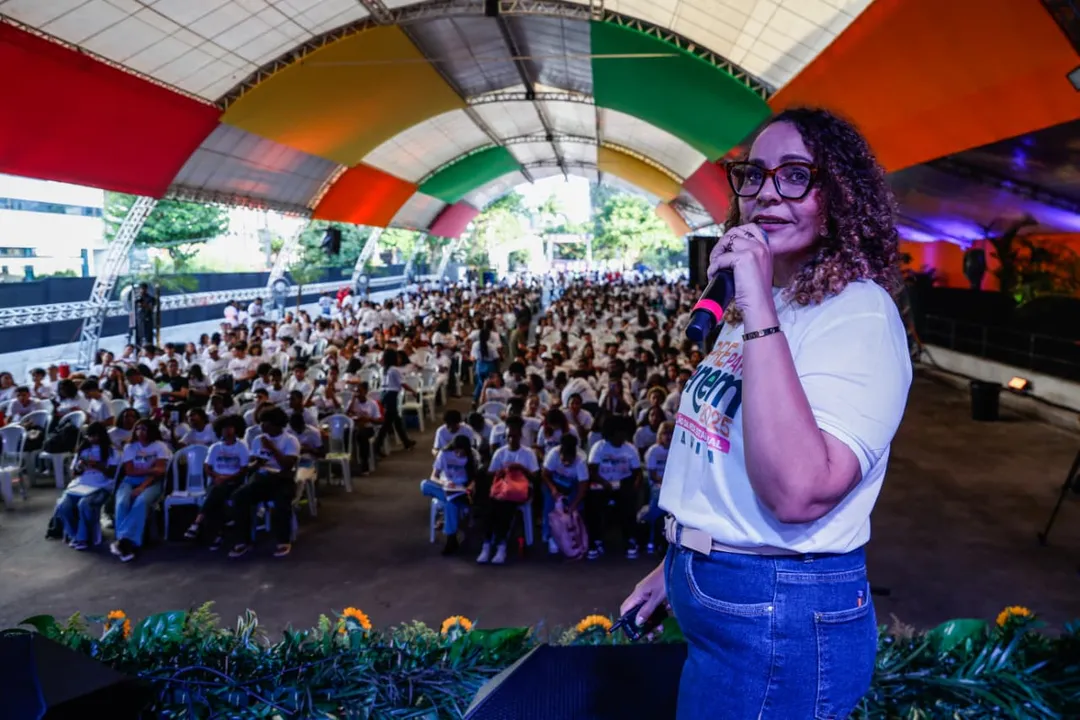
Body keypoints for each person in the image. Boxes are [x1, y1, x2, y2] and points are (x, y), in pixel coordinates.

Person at [620, 108, 913, 720]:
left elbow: (798, 492)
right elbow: (717, 455)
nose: (767, 193)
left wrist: (755, 305)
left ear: (839, 194)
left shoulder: (857, 313)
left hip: (779, 607)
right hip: (726, 585)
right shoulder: (771, 302)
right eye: (754, 175)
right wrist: (678, 559)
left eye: (796, 176)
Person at [227, 406, 300, 558]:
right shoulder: (257, 439)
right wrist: (256, 463)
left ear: (275, 424)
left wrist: (272, 448)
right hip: (262, 478)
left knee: (281, 502)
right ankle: (243, 540)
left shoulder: (290, 440)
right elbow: (252, 462)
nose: (261, 426)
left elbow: (287, 465)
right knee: (238, 497)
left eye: (265, 423)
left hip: (282, 479)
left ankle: (283, 541)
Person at [476, 416, 539, 565]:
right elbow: (491, 474)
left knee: (505, 506)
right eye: (509, 436)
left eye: (515, 436)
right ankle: (486, 544)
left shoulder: (528, 453)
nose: (512, 439)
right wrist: (503, 471)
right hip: (502, 489)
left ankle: (501, 545)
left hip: (521, 490)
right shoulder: (500, 452)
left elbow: (536, 476)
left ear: (520, 437)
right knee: (490, 507)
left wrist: (521, 468)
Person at [184, 415, 249, 550]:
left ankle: (199, 523)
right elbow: (207, 467)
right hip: (217, 480)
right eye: (224, 427)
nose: (227, 430)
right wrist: (216, 476)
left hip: (234, 481)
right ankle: (216, 532)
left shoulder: (241, 447)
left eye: (230, 427)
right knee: (216, 494)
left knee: (215, 493)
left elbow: (243, 470)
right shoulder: (215, 447)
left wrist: (226, 478)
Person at [111, 419, 171, 563]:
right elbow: (130, 471)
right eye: (137, 429)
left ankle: (124, 541)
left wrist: (142, 486)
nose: (140, 432)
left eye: (143, 429)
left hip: (152, 482)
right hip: (130, 481)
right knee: (122, 502)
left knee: (141, 501)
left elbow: (160, 471)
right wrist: (151, 469)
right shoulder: (130, 446)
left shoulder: (159, 446)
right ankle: (126, 542)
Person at [53, 422, 118, 550]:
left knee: (84, 504)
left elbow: (113, 473)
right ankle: (74, 535)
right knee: (62, 505)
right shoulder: (83, 449)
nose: (92, 439)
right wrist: (80, 467)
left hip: (101, 485)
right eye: (90, 436)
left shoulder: (111, 451)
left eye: (95, 436)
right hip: (81, 484)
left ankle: (82, 538)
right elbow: (74, 473)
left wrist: (98, 465)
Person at [373, 349, 417, 455]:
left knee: (396, 420)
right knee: (387, 423)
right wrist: (413, 391)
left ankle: (406, 441)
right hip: (391, 396)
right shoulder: (394, 370)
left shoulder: (384, 369)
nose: (399, 359)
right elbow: (403, 384)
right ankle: (376, 446)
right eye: (397, 357)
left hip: (384, 394)